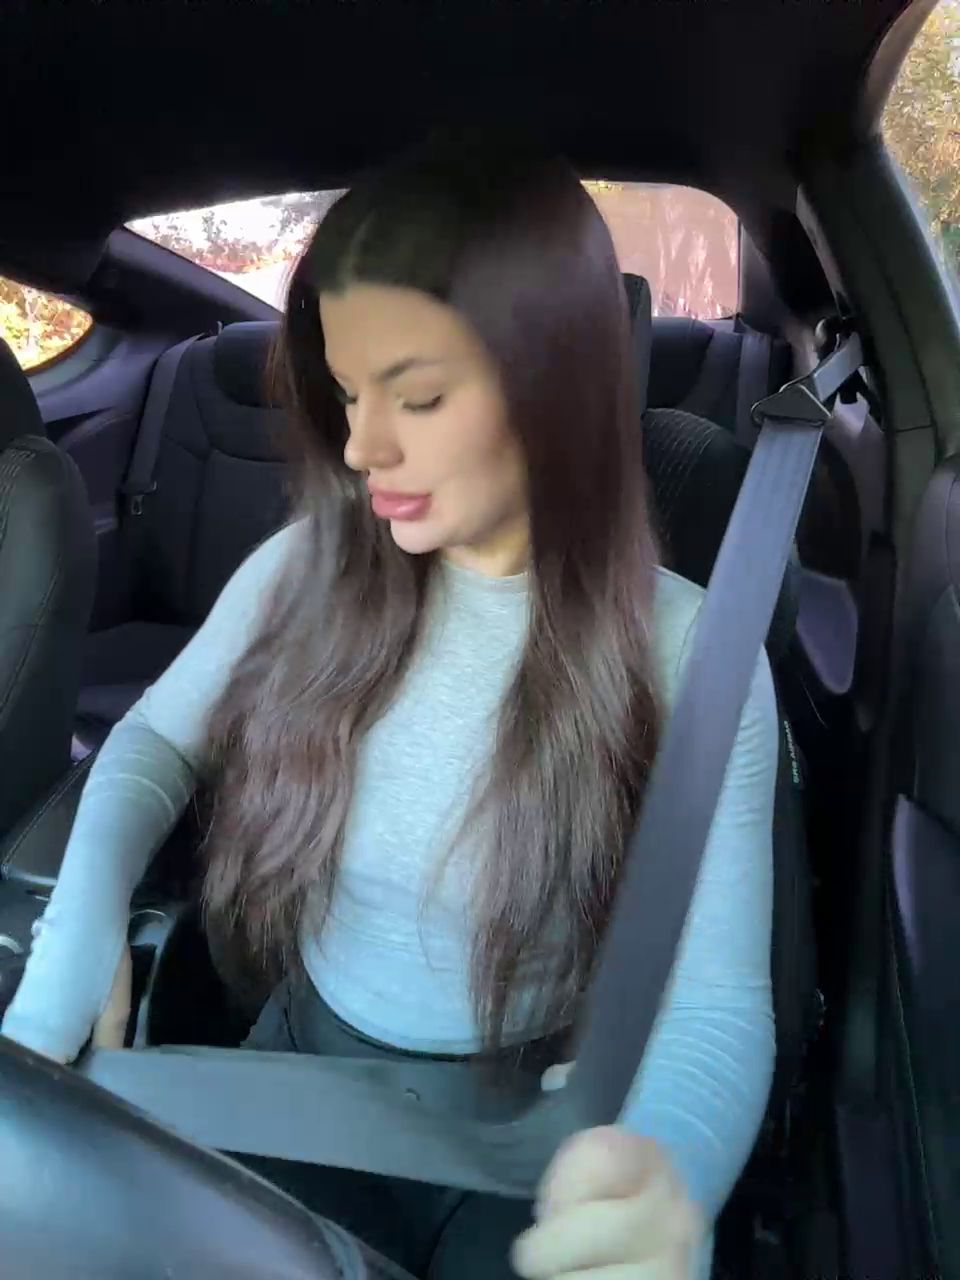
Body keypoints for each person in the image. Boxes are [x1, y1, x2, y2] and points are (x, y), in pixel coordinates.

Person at [1, 134, 778, 1280]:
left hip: (538, 1118)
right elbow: (153, 739)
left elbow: (717, 1002)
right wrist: (85, 917)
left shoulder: (695, 651)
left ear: (554, 387)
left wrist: (667, 1164)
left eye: (416, 395)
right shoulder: (304, 569)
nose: (362, 445)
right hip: (298, 1072)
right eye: (348, 392)